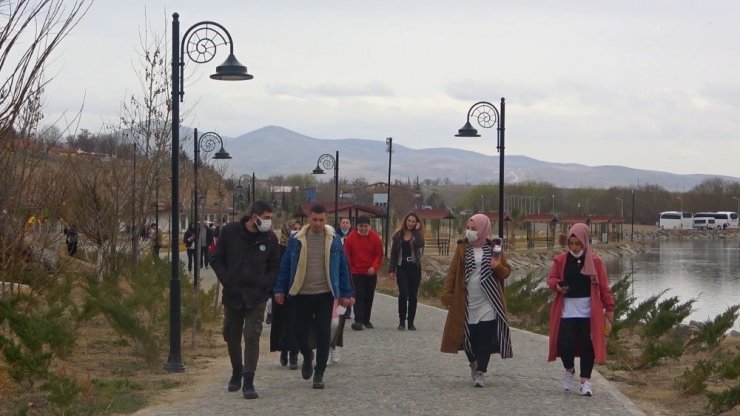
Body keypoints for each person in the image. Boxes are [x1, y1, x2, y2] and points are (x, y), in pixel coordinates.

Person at [274, 204, 353, 389]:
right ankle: (308, 355)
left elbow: (343, 267)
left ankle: (319, 373)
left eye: (322, 220)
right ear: (308, 219)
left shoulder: (333, 240)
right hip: (302, 292)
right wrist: (279, 289)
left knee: (323, 333)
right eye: (315, 219)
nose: (318, 223)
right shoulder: (297, 240)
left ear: (326, 220)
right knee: (299, 332)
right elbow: (285, 265)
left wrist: (346, 293)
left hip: (325, 293)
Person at [210, 201, 281, 400]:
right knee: (231, 335)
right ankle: (237, 371)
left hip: (256, 295)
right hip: (233, 294)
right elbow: (216, 258)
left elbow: (275, 266)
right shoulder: (230, 232)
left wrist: (265, 283)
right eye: (265, 217)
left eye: (270, 218)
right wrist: (227, 279)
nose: (268, 222)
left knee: (252, 336)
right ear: (254, 216)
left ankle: (249, 381)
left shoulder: (269, 238)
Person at [441, 214, 513, 388]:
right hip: (466, 301)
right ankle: (473, 362)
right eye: (468, 228)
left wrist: (498, 266)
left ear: (483, 229)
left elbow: (506, 272)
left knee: (485, 337)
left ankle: (481, 371)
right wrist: (447, 294)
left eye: (474, 228)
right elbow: (453, 273)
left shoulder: (493, 248)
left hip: (488, 301)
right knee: (468, 337)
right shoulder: (462, 248)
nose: (470, 232)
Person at [547, 223, 615, 397]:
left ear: (585, 242)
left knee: (587, 347)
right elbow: (552, 279)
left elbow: (604, 287)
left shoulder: (596, 262)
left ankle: (585, 381)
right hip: (567, 310)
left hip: (588, 312)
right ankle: (569, 369)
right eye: (571, 243)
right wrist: (557, 286)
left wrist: (609, 307)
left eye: (578, 243)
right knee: (564, 344)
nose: (574, 247)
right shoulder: (561, 260)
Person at [343, 215, 383, 331]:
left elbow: (379, 255)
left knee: (369, 296)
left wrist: (374, 267)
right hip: (356, 272)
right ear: (357, 226)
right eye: (361, 226)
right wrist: (350, 269)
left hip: (370, 272)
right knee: (359, 296)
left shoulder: (375, 238)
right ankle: (358, 320)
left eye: (366, 226)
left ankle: (366, 319)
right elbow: (347, 255)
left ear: (369, 226)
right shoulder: (351, 238)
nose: (363, 228)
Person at [269, 220, 300, 370]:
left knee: (296, 322)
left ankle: (294, 353)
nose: (296, 231)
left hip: (297, 289)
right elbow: (275, 268)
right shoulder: (278, 248)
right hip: (281, 289)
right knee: (282, 321)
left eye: (298, 229)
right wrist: (276, 289)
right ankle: (283, 350)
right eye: (293, 229)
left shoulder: (301, 246)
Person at [388, 212, 425, 331]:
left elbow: (420, 244)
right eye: (409, 221)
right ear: (405, 221)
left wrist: (417, 232)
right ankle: (401, 321)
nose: (410, 223)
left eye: (413, 222)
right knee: (403, 293)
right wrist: (391, 270)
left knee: (413, 295)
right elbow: (393, 253)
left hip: (414, 267)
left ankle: (411, 322)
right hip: (402, 266)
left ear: (416, 223)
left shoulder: (418, 235)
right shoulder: (398, 235)